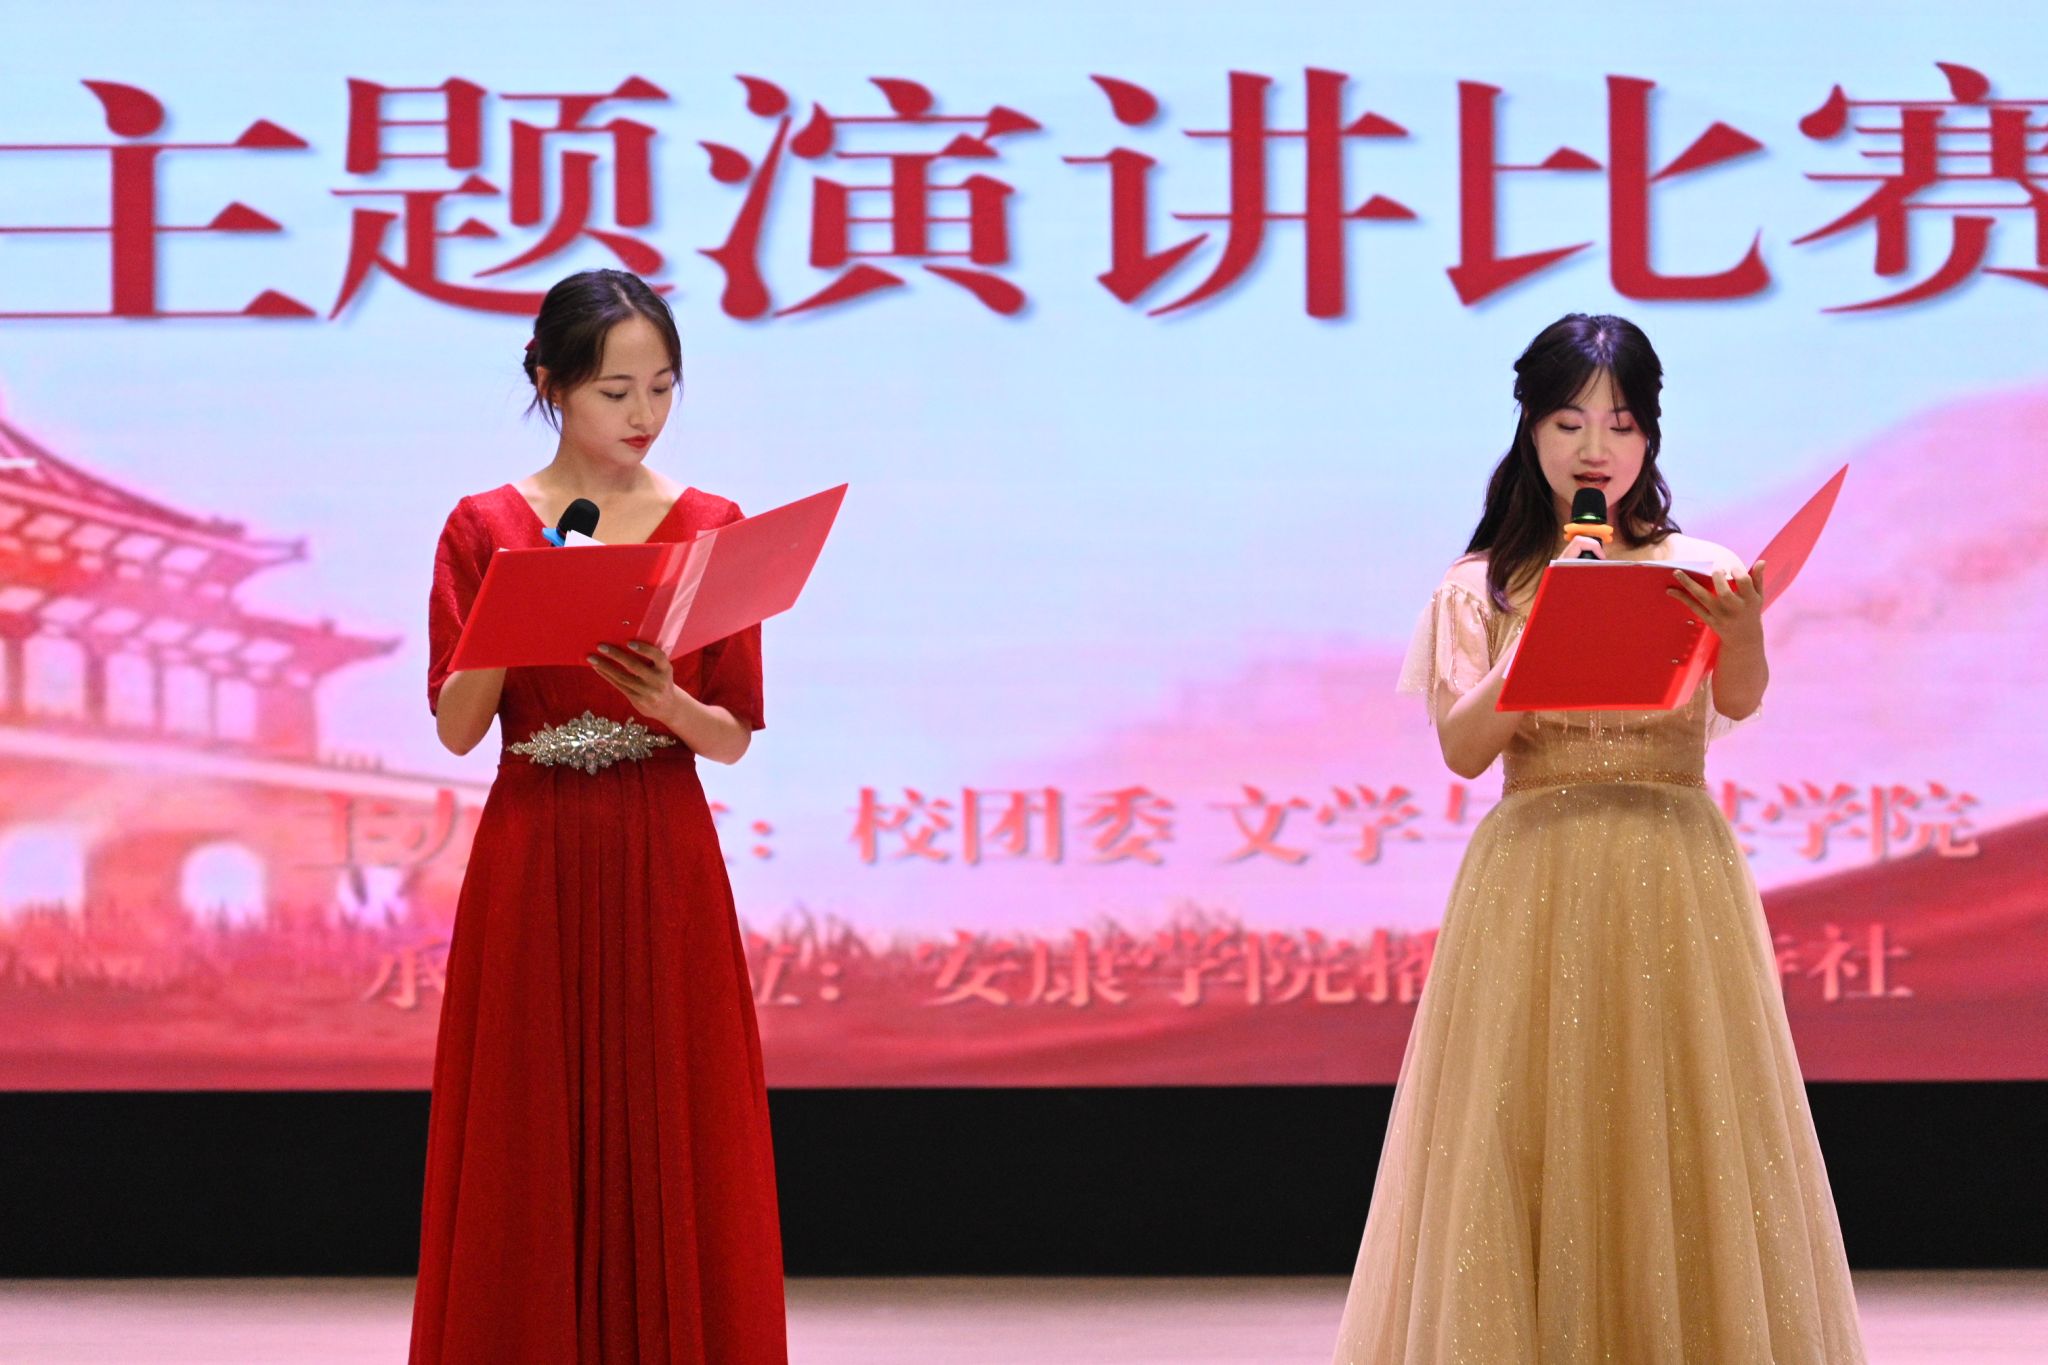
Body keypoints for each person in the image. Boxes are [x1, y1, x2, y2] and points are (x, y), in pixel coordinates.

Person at [1330, 314, 1867, 1363]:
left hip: (1673, 859)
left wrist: (1742, 632)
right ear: (1529, 428)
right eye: (1569, 422)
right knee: (1527, 1116)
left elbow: (1737, 703)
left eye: (1620, 424)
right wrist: (1541, 633)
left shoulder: (1696, 566)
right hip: (1536, 866)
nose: (1595, 448)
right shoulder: (1480, 584)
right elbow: (1462, 749)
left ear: (1649, 437)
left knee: (1684, 1111)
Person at [409, 269, 786, 1364]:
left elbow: (732, 734)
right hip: (535, 839)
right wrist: (514, 612)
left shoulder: (711, 526)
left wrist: (667, 702)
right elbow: (457, 729)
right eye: (615, 391)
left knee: (679, 1099)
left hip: (662, 836)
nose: (643, 414)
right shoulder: (484, 525)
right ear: (550, 384)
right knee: (528, 1107)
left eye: (662, 386)